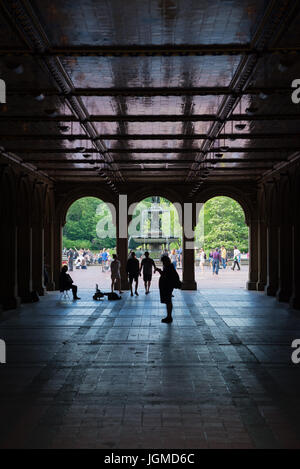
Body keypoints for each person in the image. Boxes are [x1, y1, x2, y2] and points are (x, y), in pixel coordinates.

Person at [156, 255, 181, 323]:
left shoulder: (168, 267)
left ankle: (169, 316)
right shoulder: (169, 266)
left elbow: (166, 275)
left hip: (168, 286)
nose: (163, 263)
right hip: (168, 286)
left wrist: (159, 271)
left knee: (168, 301)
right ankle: (168, 316)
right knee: (168, 301)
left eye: (163, 261)